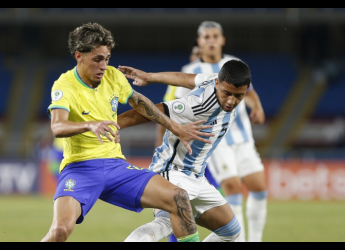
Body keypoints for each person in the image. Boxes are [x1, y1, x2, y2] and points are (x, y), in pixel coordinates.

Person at [40, 22, 214, 242]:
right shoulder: (64, 85)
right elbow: (57, 127)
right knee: (60, 231)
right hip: (80, 169)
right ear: (79, 56)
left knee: (179, 197)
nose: (104, 66)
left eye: (107, 59)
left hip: (115, 166)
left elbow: (141, 104)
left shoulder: (113, 77)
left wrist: (176, 127)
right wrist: (90, 125)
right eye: (97, 59)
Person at [117, 59, 251, 242]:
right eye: (227, 93)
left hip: (197, 176)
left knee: (231, 232)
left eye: (239, 96)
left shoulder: (214, 78)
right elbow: (152, 110)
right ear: (217, 83)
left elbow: (186, 79)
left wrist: (150, 76)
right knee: (164, 224)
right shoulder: (198, 105)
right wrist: (114, 125)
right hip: (173, 172)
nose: (231, 101)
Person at [174, 20, 268, 242]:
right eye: (207, 37)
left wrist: (258, 107)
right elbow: (181, 106)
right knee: (233, 186)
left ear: (222, 40)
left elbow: (250, 90)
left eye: (215, 36)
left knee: (259, 187)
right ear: (200, 42)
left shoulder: (235, 64)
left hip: (243, 138)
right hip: (216, 140)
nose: (211, 41)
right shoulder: (190, 71)